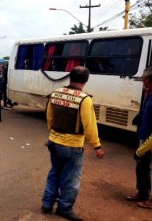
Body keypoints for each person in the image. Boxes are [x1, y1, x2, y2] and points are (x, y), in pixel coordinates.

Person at [41, 66, 105, 221]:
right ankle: (64, 208)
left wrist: (54, 133)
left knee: (55, 172)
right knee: (70, 179)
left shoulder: (56, 93)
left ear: (70, 77)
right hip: (72, 145)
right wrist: (97, 145)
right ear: (86, 80)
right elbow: (89, 125)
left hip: (53, 141)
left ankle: (47, 204)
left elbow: (49, 117)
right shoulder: (84, 99)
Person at [127, 66, 152, 209]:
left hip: (150, 139)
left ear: (149, 79)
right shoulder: (148, 93)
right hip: (144, 136)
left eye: (144, 78)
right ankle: (142, 193)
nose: (142, 80)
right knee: (141, 166)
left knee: (146, 166)